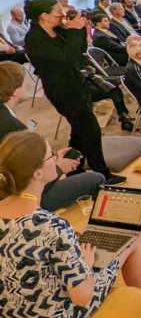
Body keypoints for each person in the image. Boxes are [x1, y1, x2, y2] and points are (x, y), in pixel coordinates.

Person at [0, 131, 141, 318]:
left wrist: (68, 246)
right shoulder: (53, 226)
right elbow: (82, 297)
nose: (56, 158)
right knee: (131, 241)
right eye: (51, 155)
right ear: (38, 173)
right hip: (56, 313)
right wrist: (85, 264)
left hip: (9, 313)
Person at [23, 0, 127, 185]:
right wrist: (72, 31)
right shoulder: (35, 39)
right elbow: (65, 59)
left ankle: (73, 170)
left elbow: (80, 50)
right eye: (58, 11)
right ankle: (103, 174)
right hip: (62, 91)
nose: (62, 13)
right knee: (91, 130)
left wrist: (79, 29)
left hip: (78, 84)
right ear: (45, 16)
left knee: (79, 133)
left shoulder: (59, 30)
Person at [0, 62, 106, 210]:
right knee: (97, 179)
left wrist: (51, 159)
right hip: (20, 197)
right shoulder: (12, 128)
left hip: (13, 189)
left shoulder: (5, 116)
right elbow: (28, 179)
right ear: (15, 90)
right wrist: (57, 167)